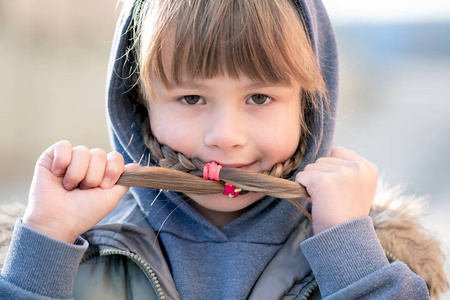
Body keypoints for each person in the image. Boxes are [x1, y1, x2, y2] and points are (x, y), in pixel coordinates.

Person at [0, 0, 447, 299]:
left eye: (259, 98)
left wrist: (352, 258)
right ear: (139, 107)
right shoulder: (71, 248)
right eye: (191, 99)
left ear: (307, 109)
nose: (226, 136)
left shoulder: (373, 257)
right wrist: (44, 245)